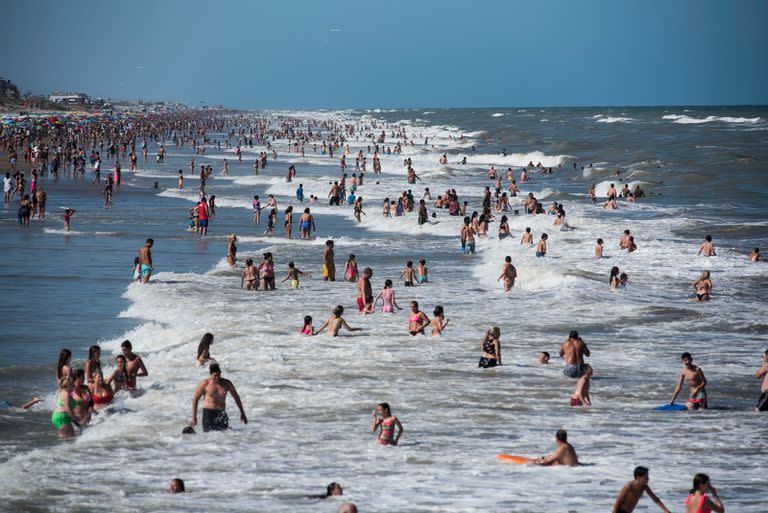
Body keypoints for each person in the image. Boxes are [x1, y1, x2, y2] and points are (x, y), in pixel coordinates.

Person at [190, 363, 247, 432]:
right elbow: (195, 399)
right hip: (208, 414)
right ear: (210, 374)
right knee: (209, 436)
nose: (217, 378)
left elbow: (236, 397)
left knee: (224, 435)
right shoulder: (205, 384)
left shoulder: (227, 383)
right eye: (215, 376)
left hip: (221, 413)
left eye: (219, 375)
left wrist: (242, 412)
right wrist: (194, 417)